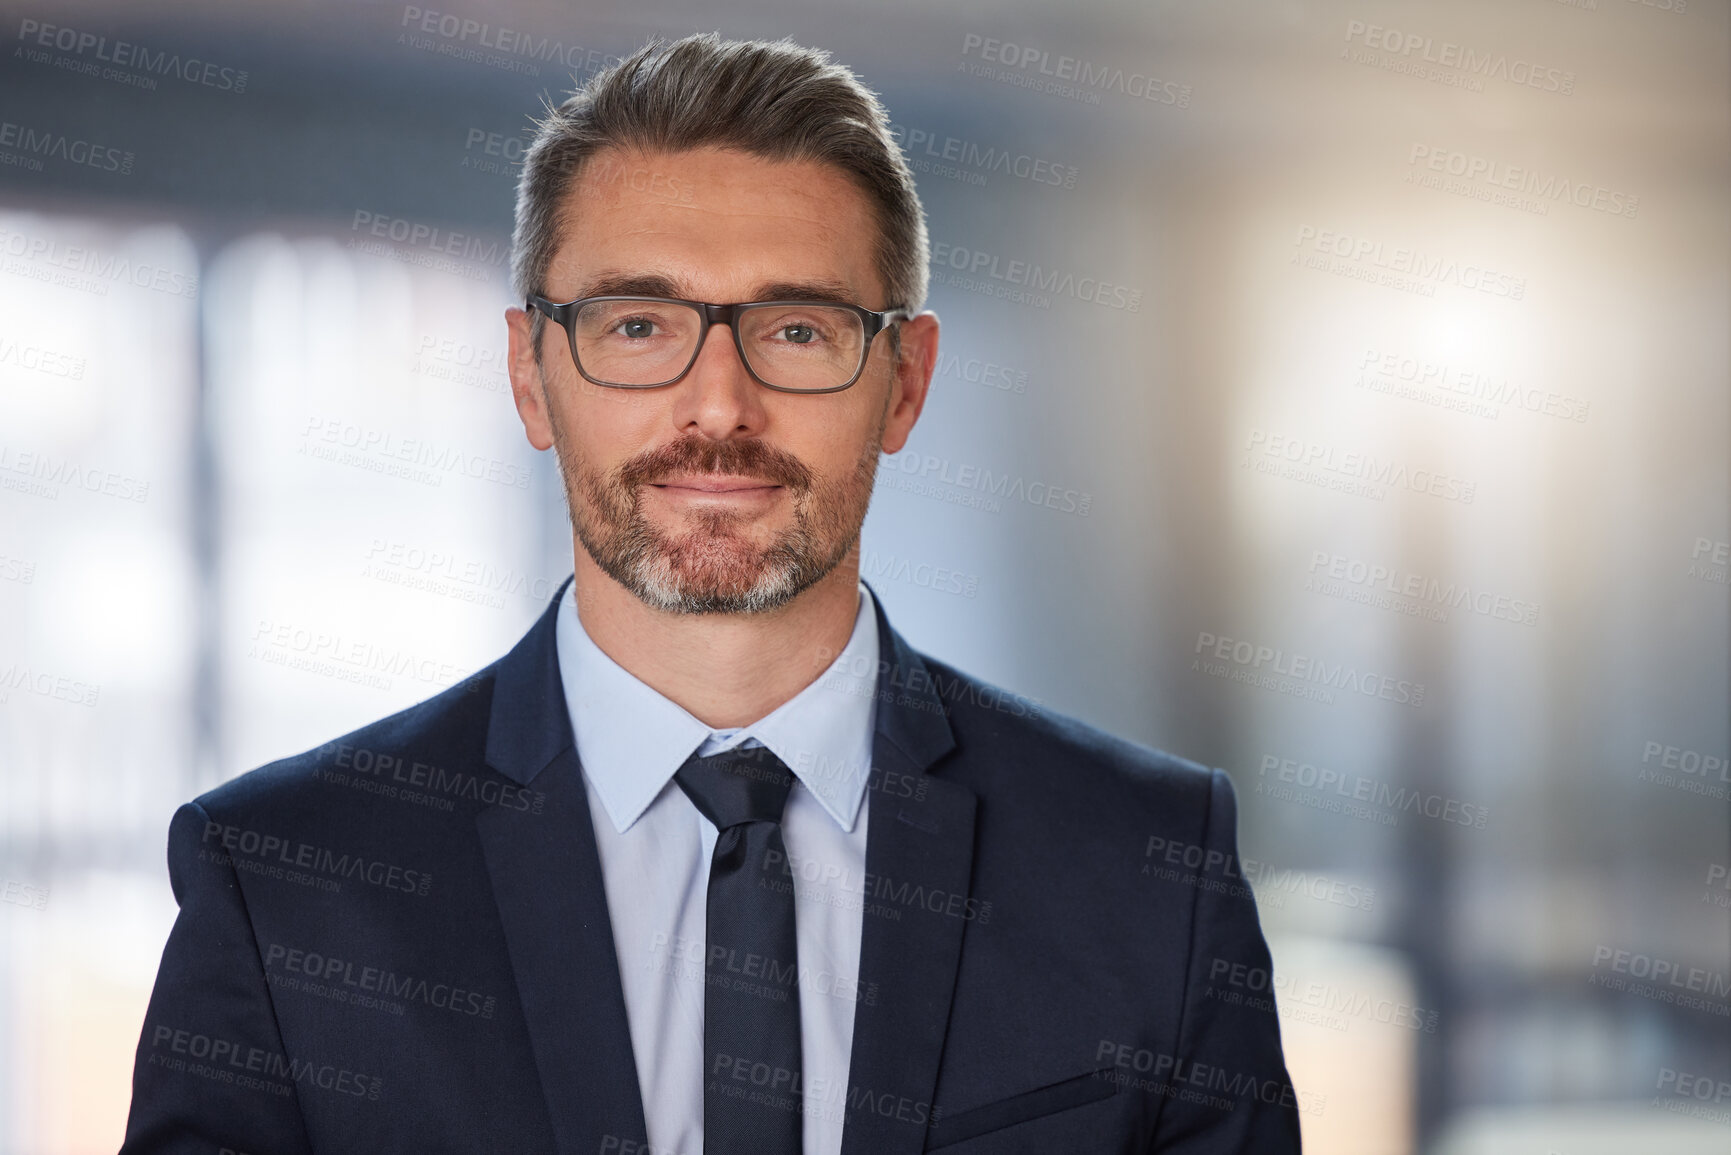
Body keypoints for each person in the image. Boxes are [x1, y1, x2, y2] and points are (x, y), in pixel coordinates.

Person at [122, 33, 1300, 1154]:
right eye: (639, 325)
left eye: (797, 328)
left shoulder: (1150, 863)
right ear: (532, 377)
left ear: (905, 381)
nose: (721, 406)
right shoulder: (285, 883)